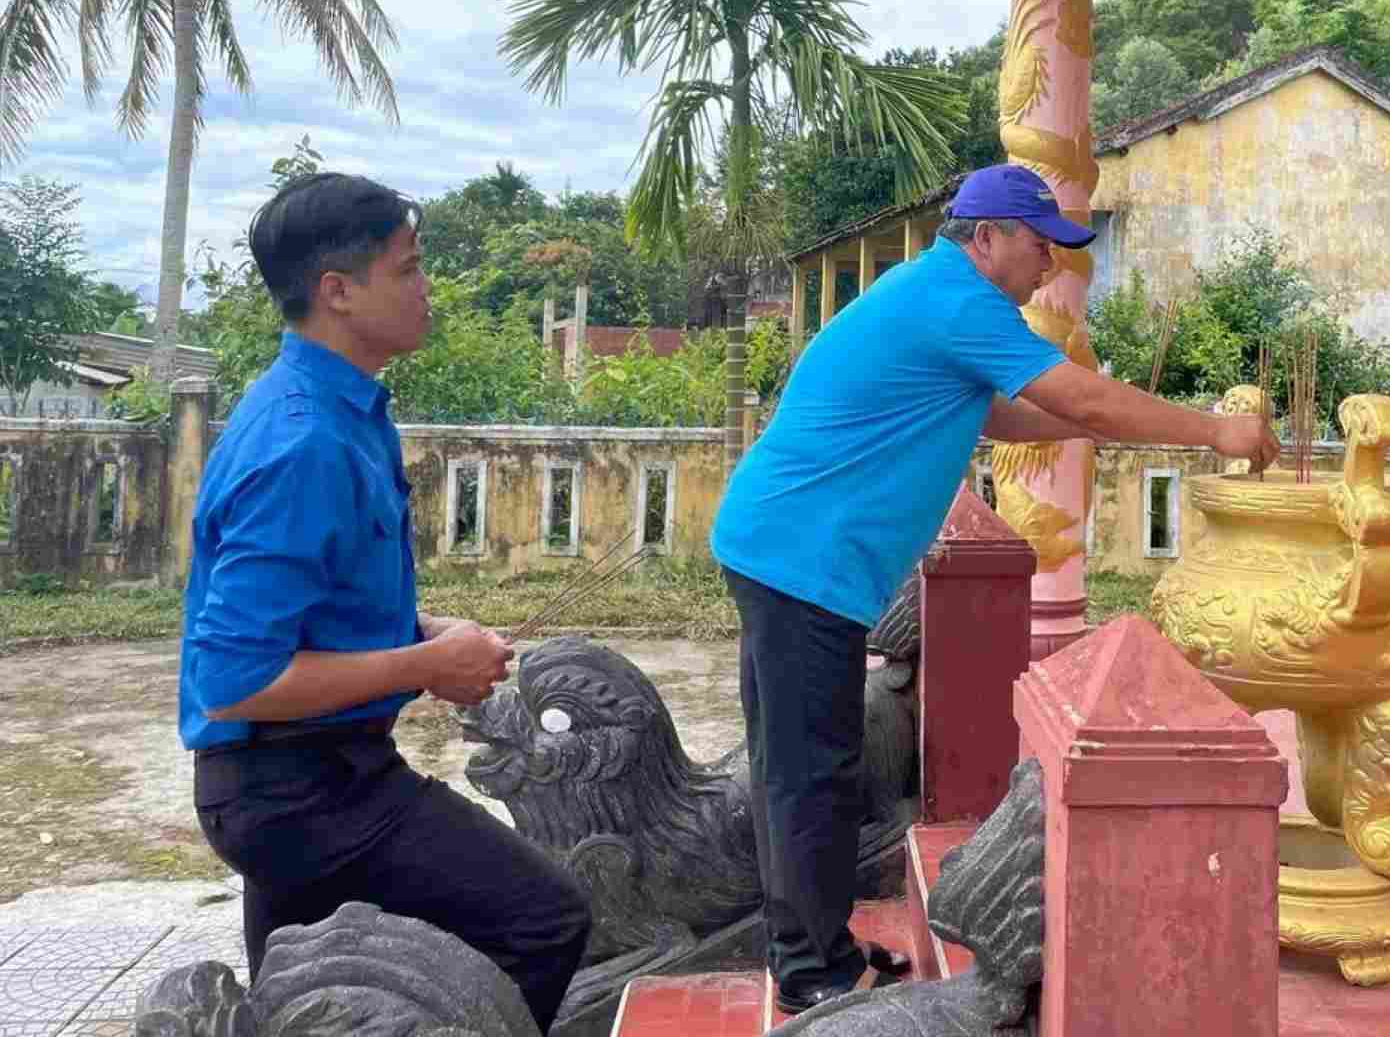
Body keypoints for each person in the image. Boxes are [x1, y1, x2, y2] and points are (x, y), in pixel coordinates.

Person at [712, 162, 1282, 1014]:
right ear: (986, 238)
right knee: (809, 774)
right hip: (804, 561)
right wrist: (1212, 431)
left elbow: (1001, 411)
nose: (1051, 263)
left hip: (784, 548)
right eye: (1040, 243)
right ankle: (812, 977)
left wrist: (1103, 421)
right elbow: (1073, 394)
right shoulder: (960, 304)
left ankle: (815, 949)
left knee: (801, 769)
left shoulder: (938, 295)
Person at [178, 173, 591, 1034]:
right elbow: (235, 679)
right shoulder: (303, 440)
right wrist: (425, 666)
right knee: (544, 922)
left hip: (302, 775)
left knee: (306, 1002)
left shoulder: (343, 410)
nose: (427, 287)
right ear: (338, 292)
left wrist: (425, 634)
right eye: (408, 269)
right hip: (301, 791)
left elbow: (315, 608)